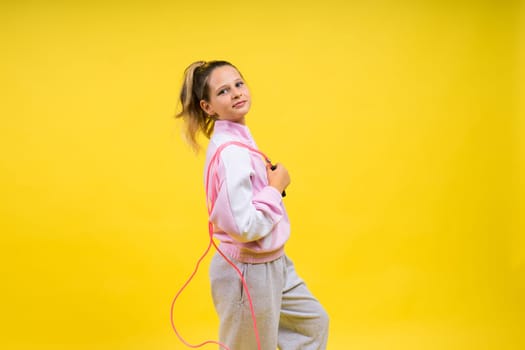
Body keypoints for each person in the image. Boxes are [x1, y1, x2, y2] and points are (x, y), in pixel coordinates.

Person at [176, 60, 329, 350]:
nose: (235, 93)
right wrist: (276, 187)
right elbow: (245, 227)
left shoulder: (240, 140)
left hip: (274, 261)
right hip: (246, 269)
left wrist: (270, 187)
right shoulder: (232, 152)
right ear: (207, 107)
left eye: (238, 84)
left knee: (312, 323)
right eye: (223, 91)